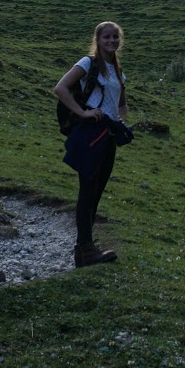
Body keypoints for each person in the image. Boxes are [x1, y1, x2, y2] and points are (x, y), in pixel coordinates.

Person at [53, 20, 127, 267]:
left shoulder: (117, 71)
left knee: (96, 191)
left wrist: (120, 122)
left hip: (109, 135)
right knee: (87, 190)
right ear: (98, 40)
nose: (111, 41)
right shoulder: (88, 63)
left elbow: (122, 103)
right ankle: (85, 249)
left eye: (115, 37)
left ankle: (85, 248)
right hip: (91, 133)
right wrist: (83, 112)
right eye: (107, 37)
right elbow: (61, 88)